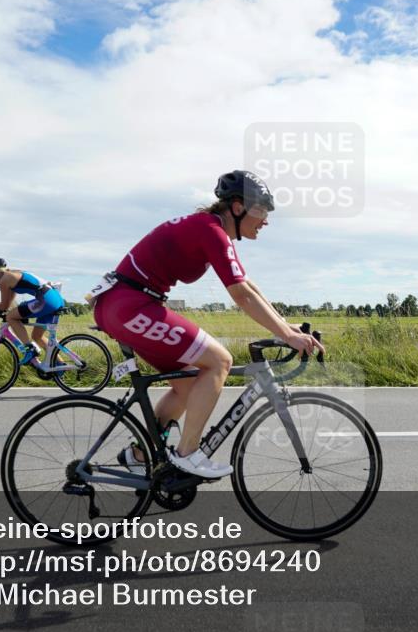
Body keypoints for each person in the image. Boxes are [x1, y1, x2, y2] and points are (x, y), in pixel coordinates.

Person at [91, 170, 324, 479]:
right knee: (219, 360)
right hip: (129, 305)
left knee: (189, 384)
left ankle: (138, 454)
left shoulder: (212, 230)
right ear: (238, 207)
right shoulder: (210, 230)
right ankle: (188, 454)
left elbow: (247, 285)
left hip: (126, 304)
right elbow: (240, 295)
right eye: (261, 210)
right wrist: (285, 335)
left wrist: (286, 327)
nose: (265, 219)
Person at [0, 259, 65, 366]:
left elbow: (3, 306)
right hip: (54, 298)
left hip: (45, 300)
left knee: (11, 317)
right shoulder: (12, 275)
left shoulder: (4, 281)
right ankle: (60, 364)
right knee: (37, 336)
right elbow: (7, 305)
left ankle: (29, 349)